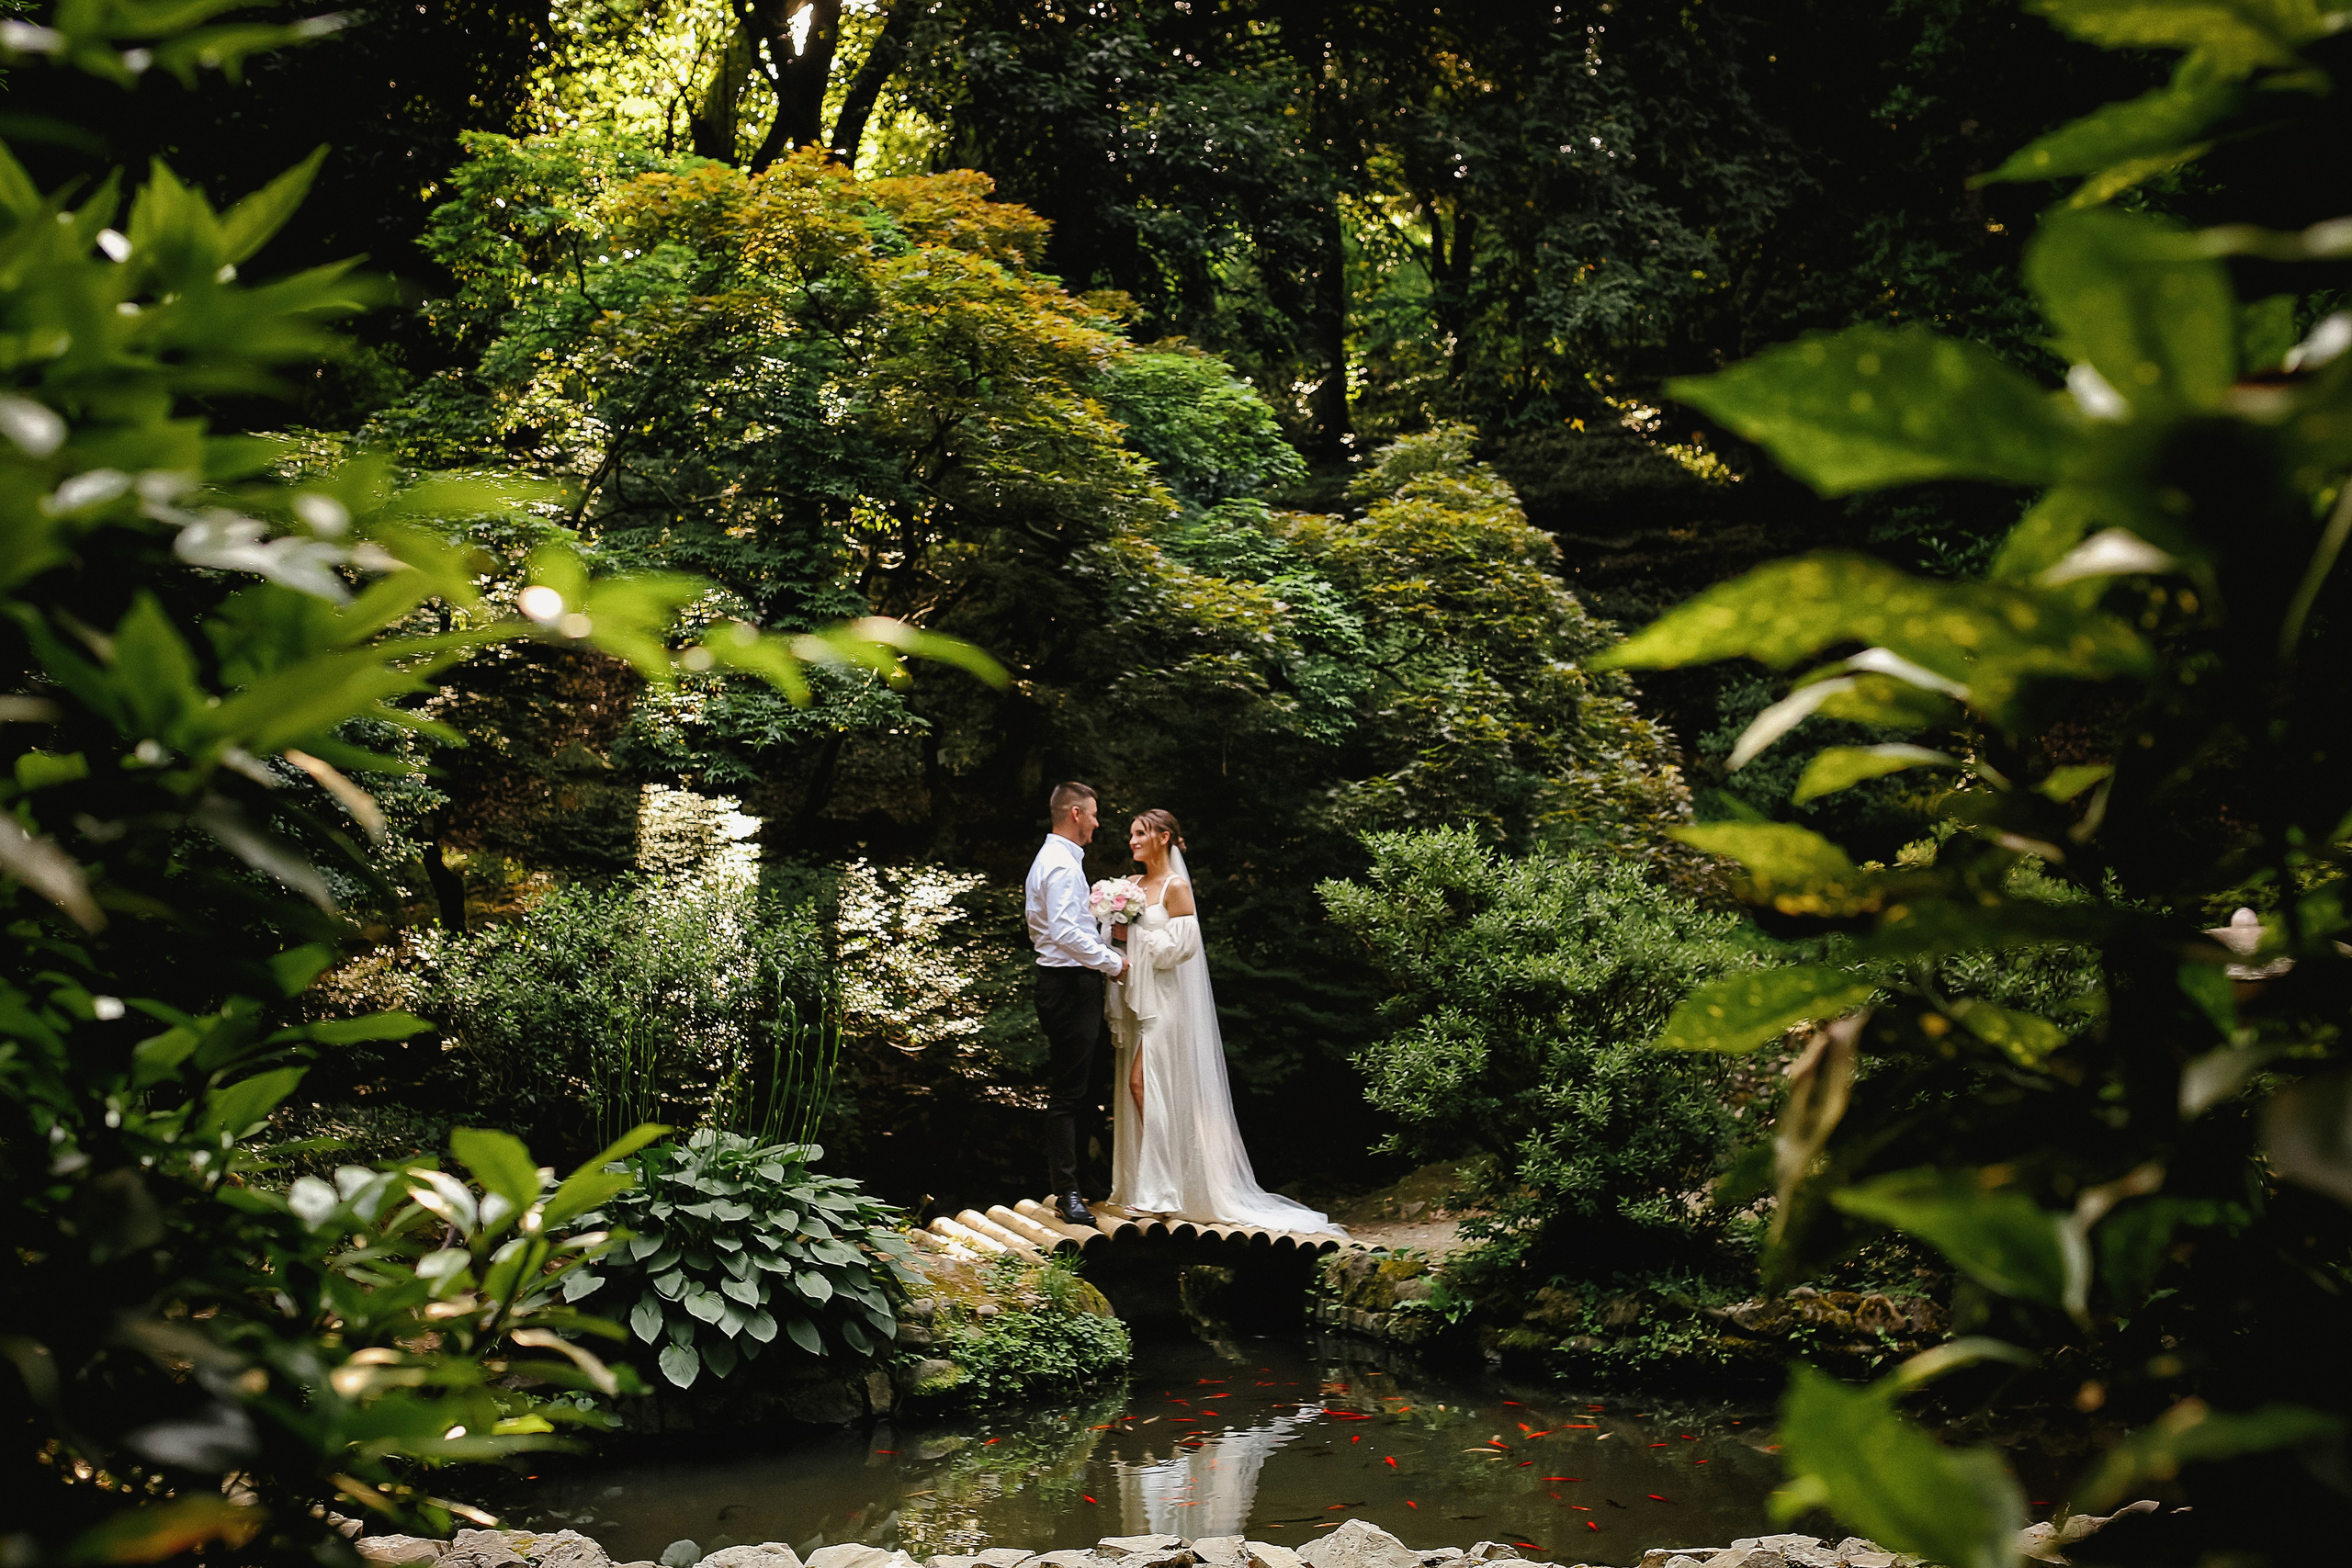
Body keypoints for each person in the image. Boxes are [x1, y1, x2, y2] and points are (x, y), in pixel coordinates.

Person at [1103, 808, 1337, 1232]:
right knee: (1137, 1087)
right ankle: (1150, 1184)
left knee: (1144, 1085)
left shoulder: (1175, 887)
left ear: (1164, 837)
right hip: (1138, 1000)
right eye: (1131, 833)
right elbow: (1115, 941)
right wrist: (1114, 930)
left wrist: (1135, 932)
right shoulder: (1131, 886)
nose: (1132, 840)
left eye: (1140, 833)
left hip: (1165, 1003)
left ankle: (1162, 1192)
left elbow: (1182, 949)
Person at [1024, 782, 1127, 1226]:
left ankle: (1083, 1182)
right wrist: (1113, 963)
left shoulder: (1057, 860)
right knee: (1069, 1094)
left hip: (1071, 983)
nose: (1098, 824)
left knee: (1084, 1091)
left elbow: (1072, 927)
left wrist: (1109, 932)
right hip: (1067, 986)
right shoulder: (1061, 864)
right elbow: (1065, 933)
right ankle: (1067, 1192)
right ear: (1075, 814)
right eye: (1094, 814)